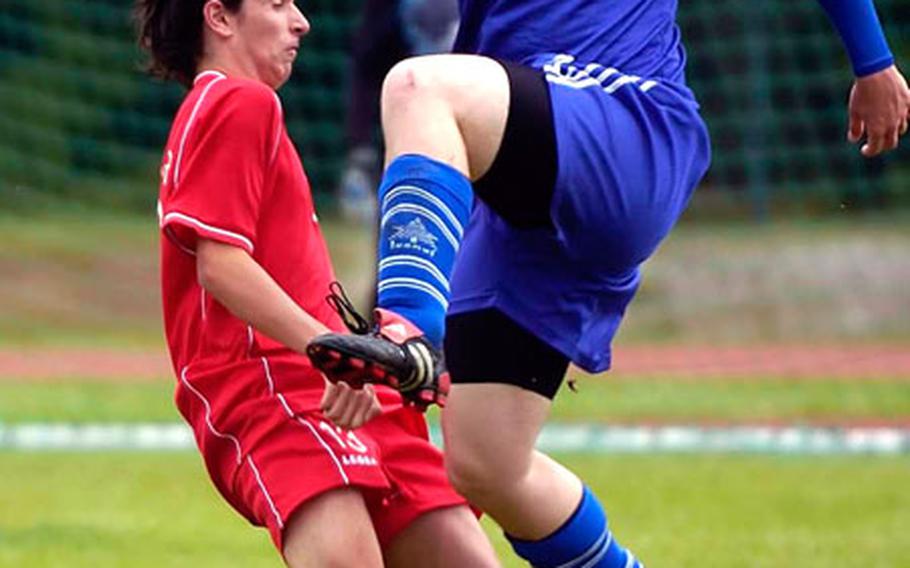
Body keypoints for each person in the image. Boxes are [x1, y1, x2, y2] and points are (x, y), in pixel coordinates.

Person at [307, 0, 910, 566]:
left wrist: (873, 60)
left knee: (418, 86)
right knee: (486, 462)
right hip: (527, 177)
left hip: (626, 120)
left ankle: (409, 329)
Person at [134, 1, 500, 566]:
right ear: (220, 18)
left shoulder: (237, 109)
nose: (300, 21)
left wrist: (374, 360)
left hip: (337, 391)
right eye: (277, 4)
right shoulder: (238, 100)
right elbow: (221, 265)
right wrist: (331, 353)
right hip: (273, 386)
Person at [338, 0, 460, 222]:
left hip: (471, 126)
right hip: (408, 129)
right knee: (403, 226)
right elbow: (366, 64)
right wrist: (360, 144)